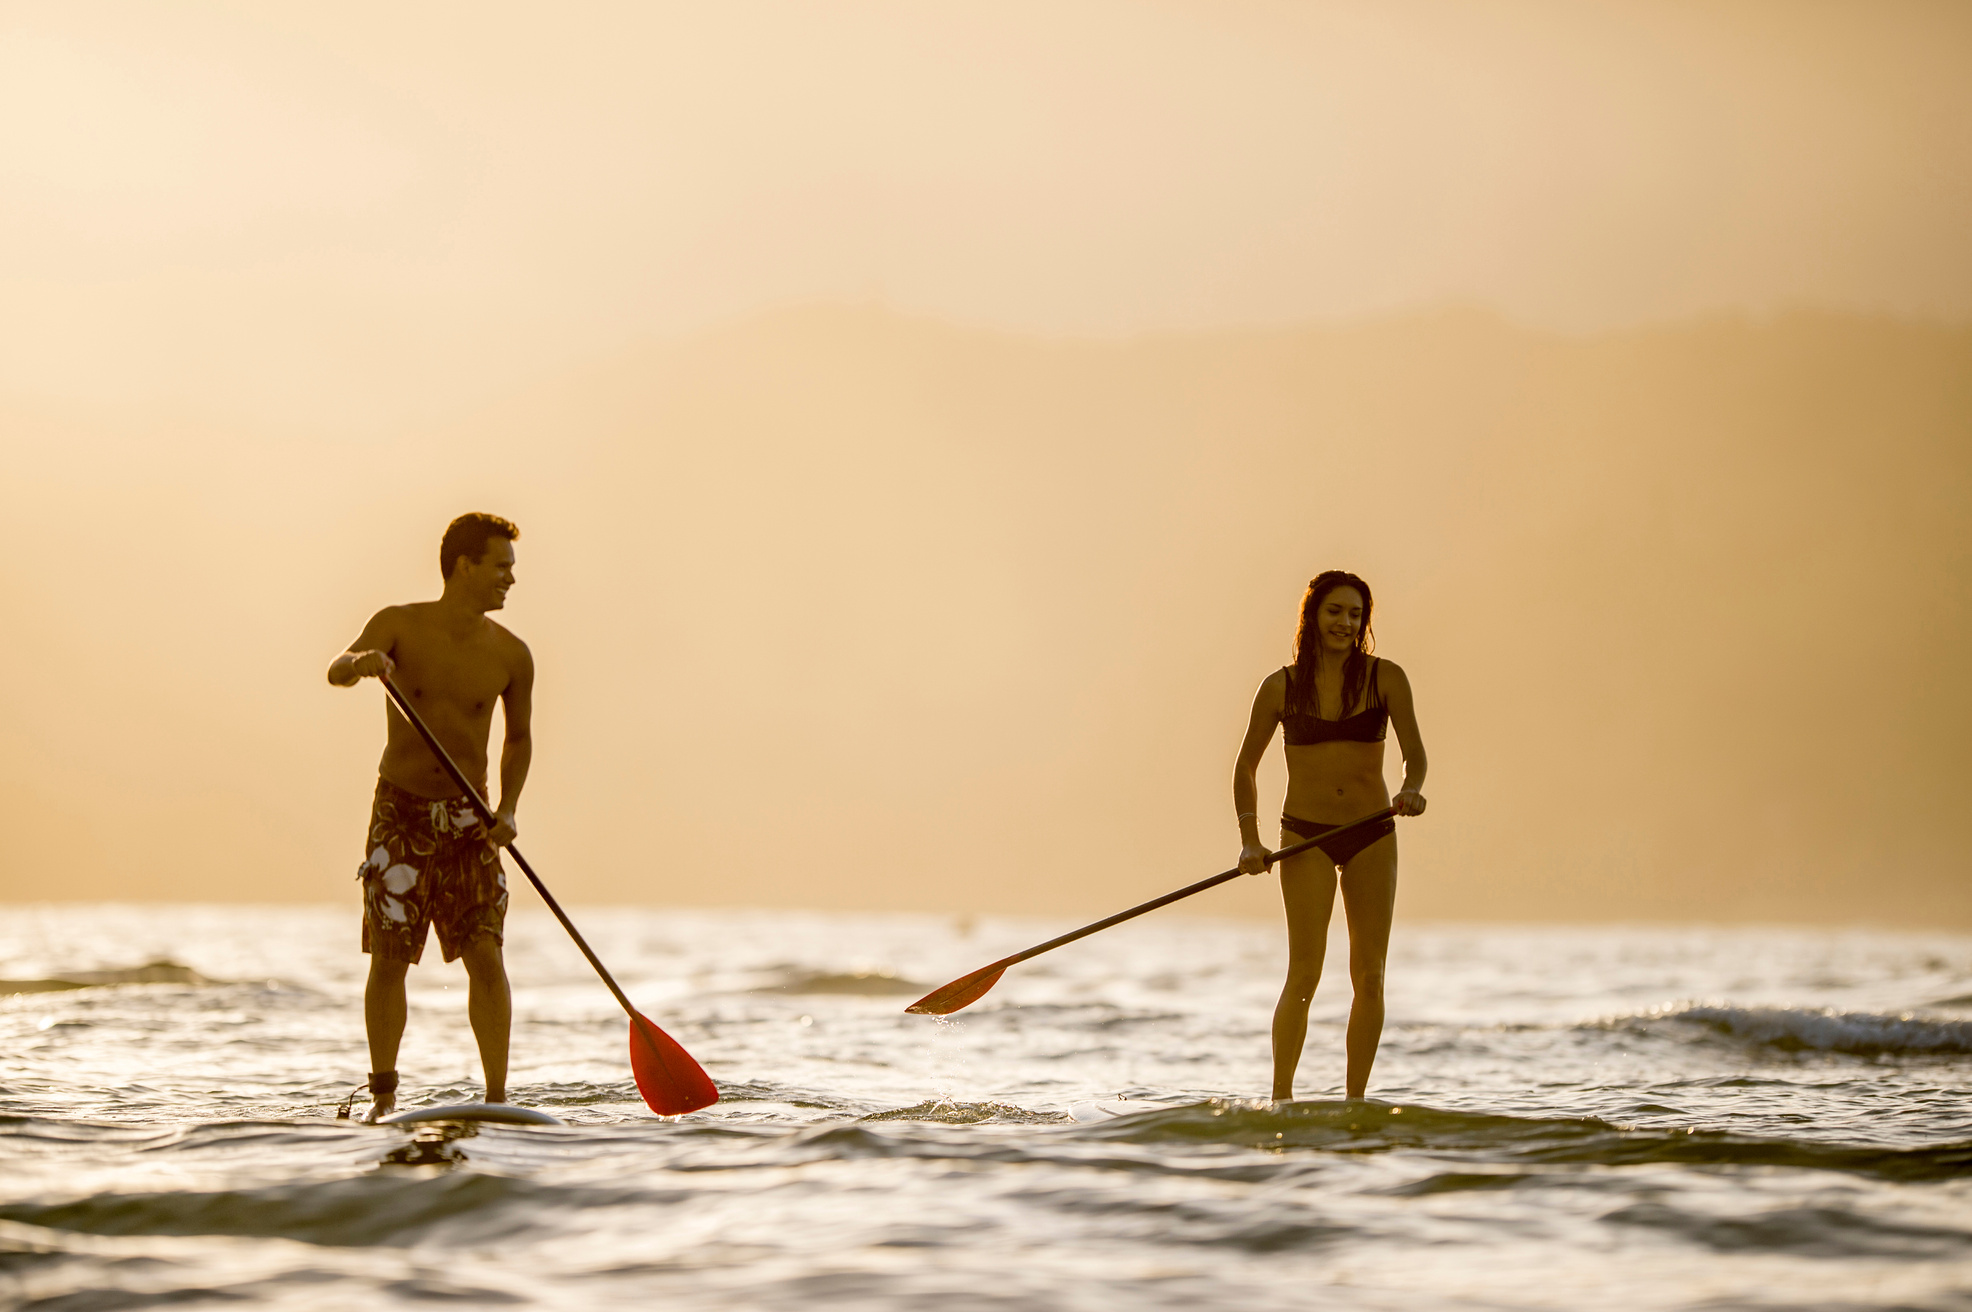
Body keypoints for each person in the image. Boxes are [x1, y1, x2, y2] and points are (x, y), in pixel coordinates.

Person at [326, 513, 534, 1121]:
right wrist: (362, 663)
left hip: (474, 823)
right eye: (501, 567)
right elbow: (337, 667)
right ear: (464, 565)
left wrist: (509, 811)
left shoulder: (512, 655)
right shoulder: (399, 624)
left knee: (486, 956)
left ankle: (498, 1101)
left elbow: (518, 740)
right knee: (390, 960)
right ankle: (384, 1097)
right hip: (402, 814)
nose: (510, 581)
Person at [1231, 571, 1427, 1101]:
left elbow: (1415, 753)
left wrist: (1411, 788)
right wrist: (1250, 841)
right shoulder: (1280, 686)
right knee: (1304, 975)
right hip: (1304, 837)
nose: (1346, 623)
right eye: (1335, 611)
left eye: (1356, 614)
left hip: (1371, 833)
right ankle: (1281, 1102)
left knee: (1370, 976)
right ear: (1313, 616)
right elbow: (1246, 767)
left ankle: (1354, 1104)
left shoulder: (1386, 678)